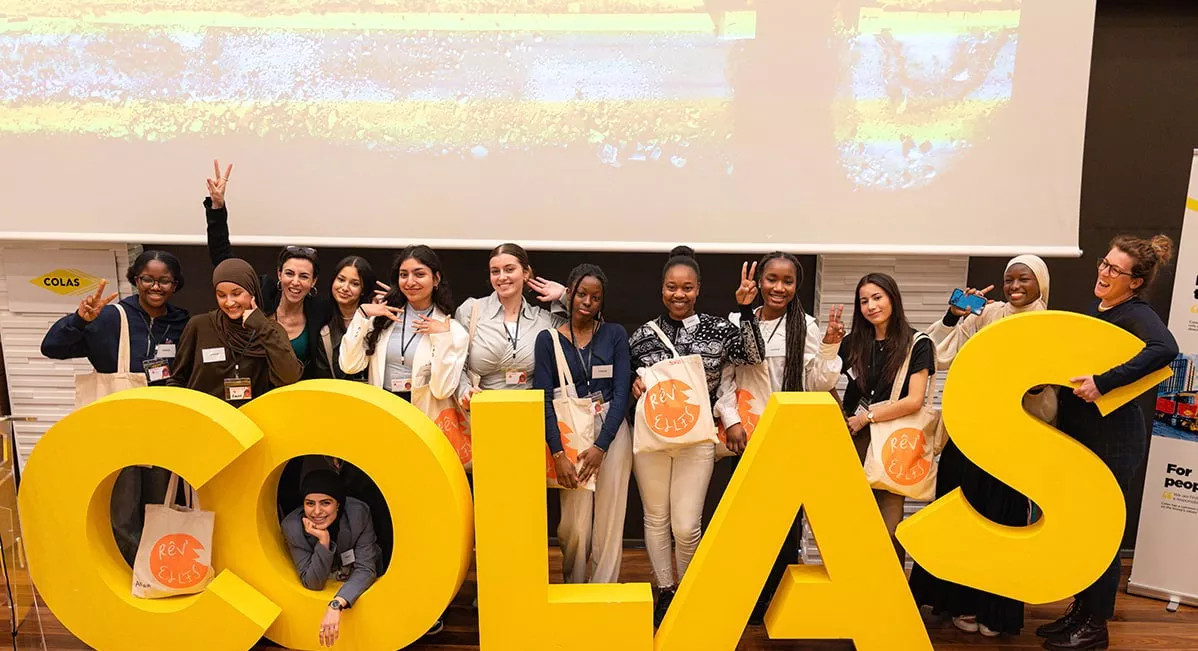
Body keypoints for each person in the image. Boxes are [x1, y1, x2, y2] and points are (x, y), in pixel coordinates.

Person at [1040, 235, 1178, 651]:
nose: (1103, 272)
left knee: (1102, 531)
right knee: (1084, 529)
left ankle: (1095, 625)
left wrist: (1104, 383)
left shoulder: (1136, 312)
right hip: (1086, 435)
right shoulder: (1105, 308)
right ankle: (1081, 611)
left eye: (1115, 270)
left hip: (1113, 439)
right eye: (1104, 263)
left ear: (1135, 282)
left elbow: (1166, 348)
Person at [907, 255, 1057, 638]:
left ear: (1041, 282)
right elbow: (937, 353)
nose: (1015, 286)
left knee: (1001, 519)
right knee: (961, 511)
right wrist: (956, 314)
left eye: (1024, 279)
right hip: (969, 433)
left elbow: (1048, 392)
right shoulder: (986, 314)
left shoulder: (1052, 326)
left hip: (1013, 438)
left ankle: (994, 608)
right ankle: (958, 601)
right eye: (1009, 279)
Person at [627, 246, 765, 627]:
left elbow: (752, 356)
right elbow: (628, 382)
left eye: (687, 287)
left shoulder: (719, 329)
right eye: (672, 287)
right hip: (653, 441)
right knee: (655, 518)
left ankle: (690, 591)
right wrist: (635, 384)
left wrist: (745, 310)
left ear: (698, 288)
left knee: (686, 525)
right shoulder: (642, 336)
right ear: (661, 289)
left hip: (698, 441)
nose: (679, 294)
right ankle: (667, 590)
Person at [714, 251, 845, 625]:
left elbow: (818, 384)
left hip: (790, 437)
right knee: (749, 519)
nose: (779, 287)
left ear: (796, 286)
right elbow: (727, 376)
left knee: (785, 522)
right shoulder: (737, 321)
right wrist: (732, 419)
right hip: (748, 436)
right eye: (772, 279)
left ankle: (777, 599)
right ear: (758, 282)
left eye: (787, 281)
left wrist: (830, 346)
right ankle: (748, 596)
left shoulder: (805, 326)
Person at [40, 250, 190, 566]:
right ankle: (131, 571)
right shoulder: (110, 317)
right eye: (147, 278)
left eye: (165, 280)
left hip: (161, 427)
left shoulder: (181, 322)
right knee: (122, 507)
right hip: (116, 428)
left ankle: (157, 569)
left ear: (175, 285)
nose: (156, 287)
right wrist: (78, 321)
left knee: (159, 502)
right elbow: (51, 348)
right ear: (135, 279)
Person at [823, 272, 933, 566]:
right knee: (852, 522)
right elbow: (824, 380)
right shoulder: (851, 343)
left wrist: (867, 417)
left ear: (892, 298)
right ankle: (853, 593)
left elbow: (914, 400)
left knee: (888, 527)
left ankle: (890, 600)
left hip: (892, 442)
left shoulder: (917, 343)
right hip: (853, 439)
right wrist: (842, 414)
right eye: (864, 301)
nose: (871, 306)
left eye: (877, 297)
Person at [533, 264, 631, 584]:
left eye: (595, 297)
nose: (587, 302)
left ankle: (603, 590)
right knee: (574, 525)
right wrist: (558, 454)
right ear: (569, 295)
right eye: (581, 294)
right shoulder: (547, 340)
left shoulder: (615, 335)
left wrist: (602, 445)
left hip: (611, 431)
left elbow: (621, 393)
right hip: (569, 432)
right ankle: (574, 588)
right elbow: (543, 399)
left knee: (609, 518)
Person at [203, 159, 332, 379]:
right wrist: (217, 208)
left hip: (300, 395)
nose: (295, 282)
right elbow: (223, 259)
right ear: (279, 274)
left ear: (314, 282)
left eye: (304, 276)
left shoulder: (320, 311)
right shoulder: (262, 294)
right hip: (254, 391)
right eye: (289, 273)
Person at [166, 258, 304, 402]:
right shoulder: (199, 326)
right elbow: (177, 380)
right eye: (221, 295)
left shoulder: (270, 330)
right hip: (205, 420)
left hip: (250, 420)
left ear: (252, 292)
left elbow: (290, 377)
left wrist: (261, 326)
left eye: (236, 294)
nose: (229, 302)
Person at [455, 243, 566, 412]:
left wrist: (565, 295)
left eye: (509, 269)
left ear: (525, 273)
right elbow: (455, 364)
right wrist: (463, 390)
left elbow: (591, 330)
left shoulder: (543, 319)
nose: (501, 277)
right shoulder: (470, 311)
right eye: (495, 271)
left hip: (529, 414)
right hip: (480, 413)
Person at [281, 470, 381, 648]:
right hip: (331, 574)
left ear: (338, 504)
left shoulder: (358, 514)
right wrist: (323, 541)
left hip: (360, 579)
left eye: (325, 503)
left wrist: (336, 604)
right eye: (310, 503)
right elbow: (312, 582)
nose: (317, 511)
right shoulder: (293, 527)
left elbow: (366, 568)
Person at [322, 256, 377, 381]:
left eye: (355, 284)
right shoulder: (322, 319)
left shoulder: (376, 321)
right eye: (341, 280)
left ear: (364, 290)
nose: (345, 288)